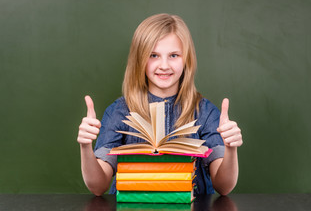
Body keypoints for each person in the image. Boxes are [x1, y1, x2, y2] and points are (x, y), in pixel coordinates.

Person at [77, 13, 243, 196]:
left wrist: (230, 149)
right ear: (139, 59)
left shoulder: (204, 112)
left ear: (186, 59)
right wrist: (85, 147)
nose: (164, 65)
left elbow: (224, 186)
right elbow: (98, 186)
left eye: (173, 55)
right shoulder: (119, 111)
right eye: (153, 55)